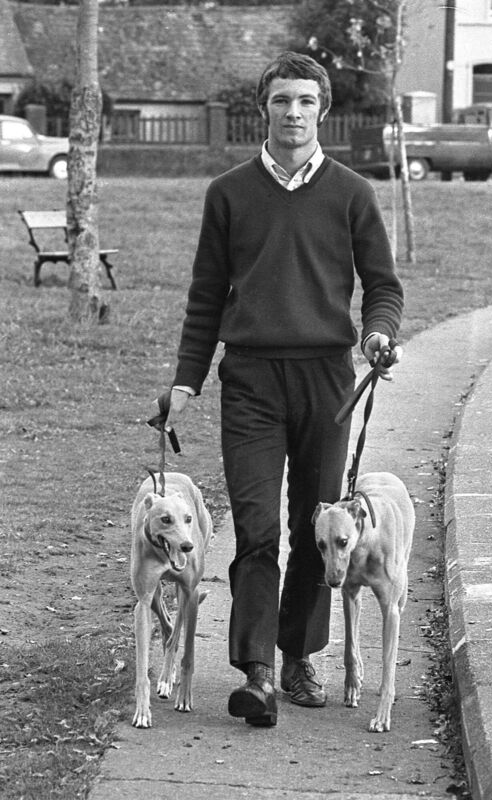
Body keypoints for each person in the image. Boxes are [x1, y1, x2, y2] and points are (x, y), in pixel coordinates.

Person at [163, 51, 404, 728]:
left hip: (328, 379)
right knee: (259, 527)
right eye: (280, 101)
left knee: (315, 525)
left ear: (321, 109)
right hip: (250, 380)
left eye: (304, 101)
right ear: (262, 109)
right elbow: (206, 295)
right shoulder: (229, 193)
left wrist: (377, 333)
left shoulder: (352, 192)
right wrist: (187, 379)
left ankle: (300, 651)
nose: (293, 113)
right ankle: (258, 673)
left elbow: (382, 287)